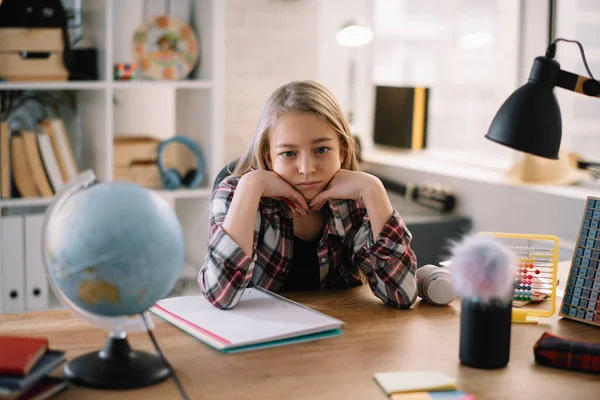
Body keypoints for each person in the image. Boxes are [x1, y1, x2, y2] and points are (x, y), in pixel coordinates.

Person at [198, 80, 417, 309]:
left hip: (339, 337)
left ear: (341, 151)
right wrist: (250, 187)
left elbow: (402, 293)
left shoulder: (355, 201)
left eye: (321, 150)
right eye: (289, 153)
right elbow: (220, 295)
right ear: (268, 155)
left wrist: (374, 190)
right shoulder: (237, 193)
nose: (307, 168)